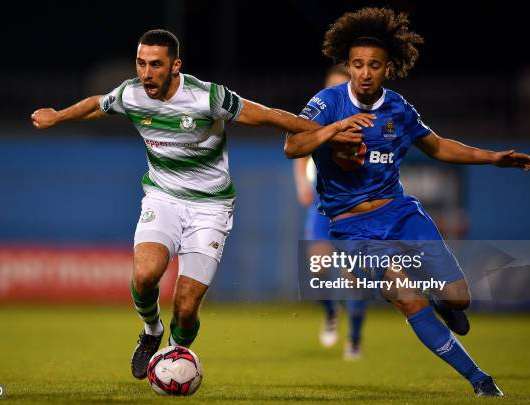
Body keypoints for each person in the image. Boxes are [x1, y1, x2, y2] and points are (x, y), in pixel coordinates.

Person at [31, 29, 330, 380]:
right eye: (141, 63)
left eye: (155, 65)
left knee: (186, 307)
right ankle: (152, 331)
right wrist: (58, 115)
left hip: (211, 208)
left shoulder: (207, 98)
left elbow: (267, 115)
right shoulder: (131, 94)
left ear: (175, 66)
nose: (146, 73)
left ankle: (175, 352)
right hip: (163, 198)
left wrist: (328, 131)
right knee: (145, 275)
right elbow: (97, 104)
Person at [285, 8, 530, 397]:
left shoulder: (398, 109)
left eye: (374, 65)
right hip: (350, 228)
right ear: (348, 67)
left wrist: (493, 157)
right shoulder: (327, 102)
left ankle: (446, 305)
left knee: (459, 297)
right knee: (403, 294)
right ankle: (480, 379)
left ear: (389, 68)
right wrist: (333, 130)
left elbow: (437, 146)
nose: (364, 73)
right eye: (357, 65)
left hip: (401, 215)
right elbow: (292, 145)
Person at [293, 64, 368, 359]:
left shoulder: (364, 122)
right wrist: (301, 182)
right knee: (317, 269)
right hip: (321, 205)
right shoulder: (319, 116)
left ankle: (354, 339)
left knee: (353, 277)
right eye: (331, 87)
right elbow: (299, 149)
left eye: (341, 87)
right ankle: (330, 312)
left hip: (353, 208)